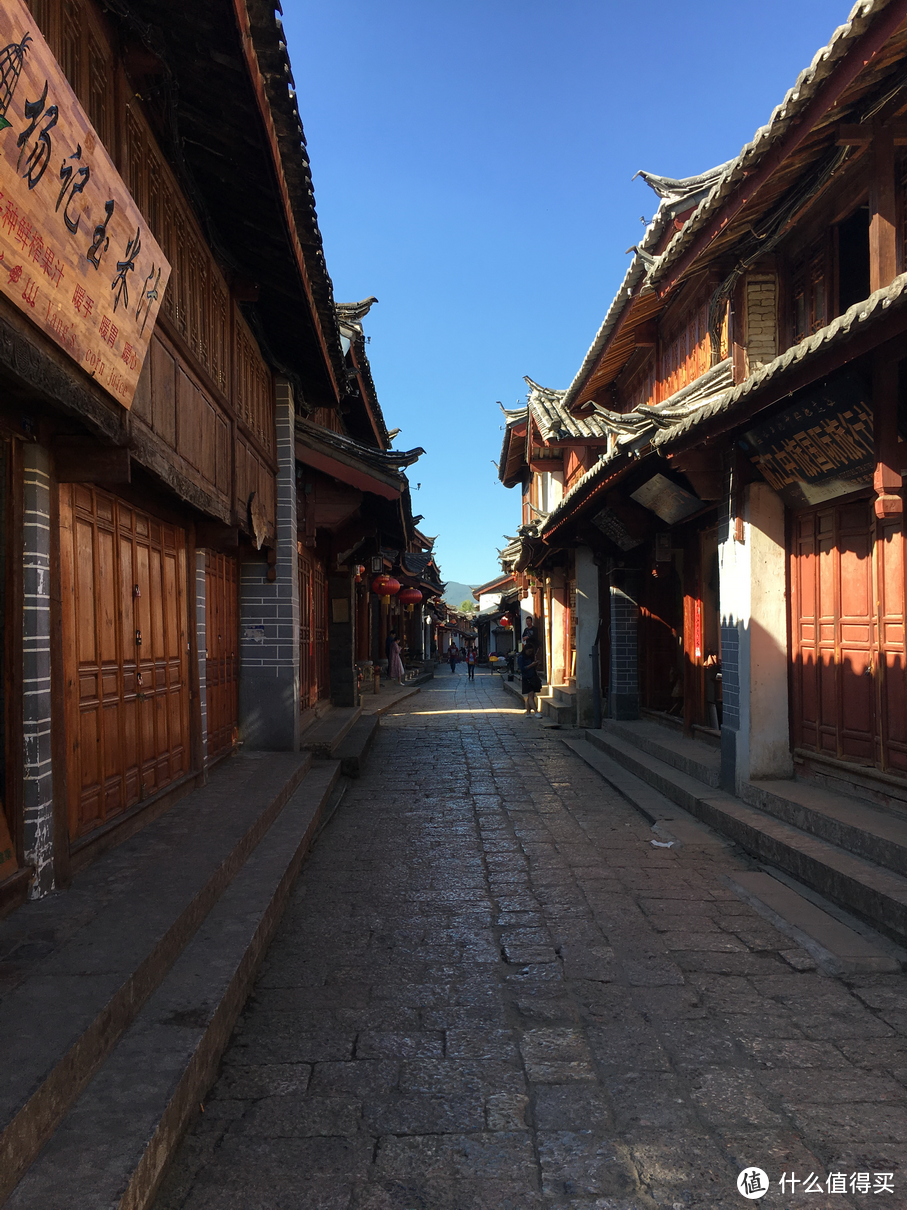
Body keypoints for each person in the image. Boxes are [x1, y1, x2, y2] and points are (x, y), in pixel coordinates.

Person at [519, 640, 542, 715]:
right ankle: (536, 712)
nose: (530, 653)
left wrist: (535, 664)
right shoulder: (521, 657)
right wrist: (531, 665)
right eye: (529, 651)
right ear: (525, 650)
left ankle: (528, 712)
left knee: (530, 696)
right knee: (531, 695)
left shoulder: (531, 657)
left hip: (533, 677)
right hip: (527, 678)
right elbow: (522, 668)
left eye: (531, 651)